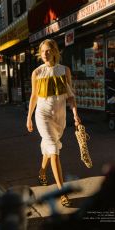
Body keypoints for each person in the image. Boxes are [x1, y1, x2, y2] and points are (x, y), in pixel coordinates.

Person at [26, 39, 81, 207]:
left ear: (55, 51)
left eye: (48, 50)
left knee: (50, 146)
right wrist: (29, 117)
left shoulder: (65, 71)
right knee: (54, 149)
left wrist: (75, 115)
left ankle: (42, 171)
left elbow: (70, 96)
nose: (45, 54)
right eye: (42, 51)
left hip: (60, 117)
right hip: (42, 115)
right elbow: (34, 97)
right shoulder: (37, 73)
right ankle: (62, 192)